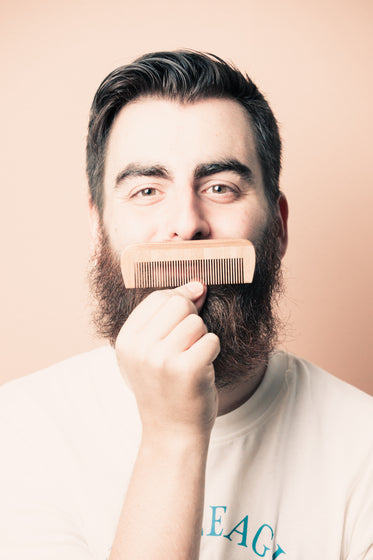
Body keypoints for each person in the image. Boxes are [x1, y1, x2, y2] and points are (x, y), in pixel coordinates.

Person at [1, 50, 372, 560]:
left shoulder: (363, 448)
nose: (186, 224)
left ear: (279, 227)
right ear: (97, 229)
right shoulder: (19, 435)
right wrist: (172, 435)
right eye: (147, 189)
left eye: (220, 187)